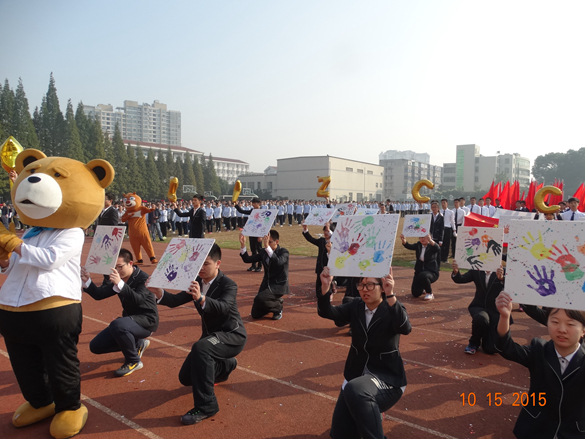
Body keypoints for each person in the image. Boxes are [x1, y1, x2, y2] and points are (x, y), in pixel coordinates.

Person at [150, 244, 247, 425]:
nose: (201, 268)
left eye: (206, 264)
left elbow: (224, 307)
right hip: (211, 338)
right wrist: (159, 293)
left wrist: (201, 298)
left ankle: (206, 406)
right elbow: (175, 300)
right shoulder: (195, 281)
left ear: (218, 264)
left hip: (232, 336)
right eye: (199, 264)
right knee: (186, 378)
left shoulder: (228, 284)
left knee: (201, 348)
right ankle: (225, 365)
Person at [318, 266, 411, 439]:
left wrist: (391, 295)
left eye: (370, 285)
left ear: (382, 286)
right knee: (339, 434)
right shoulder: (356, 306)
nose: (364, 290)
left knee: (357, 390)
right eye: (361, 285)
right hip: (356, 377)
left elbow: (404, 327)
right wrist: (325, 286)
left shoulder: (391, 308)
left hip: (387, 379)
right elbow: (327, 312)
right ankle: (370, 411)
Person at [495, 292, 585, 439]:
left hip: (574, 431)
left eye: (570, 324)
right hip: (536, 427)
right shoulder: (539, 350)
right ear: (547, 323)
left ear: (583, 330)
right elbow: (507, 348)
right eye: (555, 322)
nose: (562, 329)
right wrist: (504, 316)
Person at [81, 248, 158, 376]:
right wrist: (87, 280)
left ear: (131, 264)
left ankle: (133, 361)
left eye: (120, 267)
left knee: (118, 325)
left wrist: (120, 284)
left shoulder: (144, 279)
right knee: (96, 346)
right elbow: (99, 294)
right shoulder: (118, 278)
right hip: (129, 322)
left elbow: (138, 300)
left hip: (146, 321)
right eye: (114, 268)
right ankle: (137, 343)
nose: (117, 271)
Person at [451, 261, 506, 355]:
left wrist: (501, 279)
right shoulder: (477, 270)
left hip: (495, 310)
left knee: (490, 349)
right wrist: (456, 272)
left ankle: (486, 335)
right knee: (481, 318)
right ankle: (474, 343)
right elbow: (461, 279)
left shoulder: (503, 271)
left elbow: (511, 288)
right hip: (478, 306)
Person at [239, 230, 289, 320]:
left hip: (278, 285)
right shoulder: (264, 252)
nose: (267, 244)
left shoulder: (283, 252)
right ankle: (275, 301)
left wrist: (267, 247)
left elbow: (278, 262)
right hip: (266, 284)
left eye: (269, 242)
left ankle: (278, 308)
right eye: (266, 241)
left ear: (276, 242)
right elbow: (247, 259)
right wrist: (243, 245)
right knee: (255, 314)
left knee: (260, 299)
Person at [400, 233, 440, 300]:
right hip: (419, 271)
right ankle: (424, 287)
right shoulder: (418, 245)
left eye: (425, 237)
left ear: (430, 237)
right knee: (415, 293)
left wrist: (430, 240)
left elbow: (437, 248)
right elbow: (409, 246)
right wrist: (404, 240)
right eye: (421, 237)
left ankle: (429, 293)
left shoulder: (432, 246)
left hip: (431, 272)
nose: (423, 239)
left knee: (423, 275)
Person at [302, 221, 332, 294]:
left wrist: (329, 230)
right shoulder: (321, 241)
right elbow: (310, 239)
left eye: (327, 231)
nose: (325, 232)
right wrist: (305, 229)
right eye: (324, 230)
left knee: (329, 282)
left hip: (330, 267)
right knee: (319, 282)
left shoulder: (336, 242)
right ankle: (319, 294)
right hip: (320, 266)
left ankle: (329, 292)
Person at [235, 198, 263, 272]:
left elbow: (264, 224)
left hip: (258, 233)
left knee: (259, 250)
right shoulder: (252, 211)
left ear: (259, 203)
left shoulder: (262, 212)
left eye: (255, 203)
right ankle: (253, 265)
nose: (253, 204)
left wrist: (261, 235)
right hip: (252, 232)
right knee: (253, 250)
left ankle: (260, 266)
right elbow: (242, 211)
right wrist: (236, 205)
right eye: (252, 203)